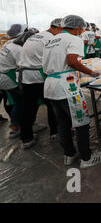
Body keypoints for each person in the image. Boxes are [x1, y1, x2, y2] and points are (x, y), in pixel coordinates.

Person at [43, 15, 101, 168]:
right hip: (67, 86)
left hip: (50, 85)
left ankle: (69, 154)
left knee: (63, 123)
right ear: (78, 27)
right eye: (81, 29)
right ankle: (86, 158)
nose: (81, 32)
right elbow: (72, 61)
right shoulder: (74, 39)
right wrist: (91, 72)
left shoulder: (51, 40)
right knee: (81, 121)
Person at [18, 18, 62, 149]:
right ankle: (55, 132)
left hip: (26, 77)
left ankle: (26, 138)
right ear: (58, 28)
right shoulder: (50, 39)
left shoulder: (36, 36)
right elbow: (53, 60)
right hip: (40, 76)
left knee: (28, 108)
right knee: (53, 104)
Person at [0, 24, 27, 138]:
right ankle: (15, 127)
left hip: (3, 75)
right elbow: (23, 65)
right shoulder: (17, 48)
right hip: (6, 76)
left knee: (9, 99)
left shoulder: (8, 44)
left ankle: (16, 124)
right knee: (19, 101)